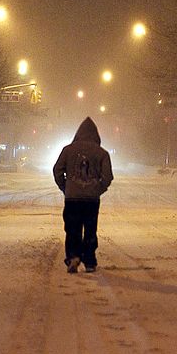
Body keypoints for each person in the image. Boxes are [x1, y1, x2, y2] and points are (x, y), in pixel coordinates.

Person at [53, 117, 113, 273]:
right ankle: (90, 261)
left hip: (72, 198)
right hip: (91, 199)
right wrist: (98, 188)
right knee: (90, 229)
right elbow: (108, 177)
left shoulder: (68, 150)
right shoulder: (102, 153)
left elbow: (57, 170)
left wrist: (65, 187)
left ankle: (73, 256)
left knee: (72, 228)